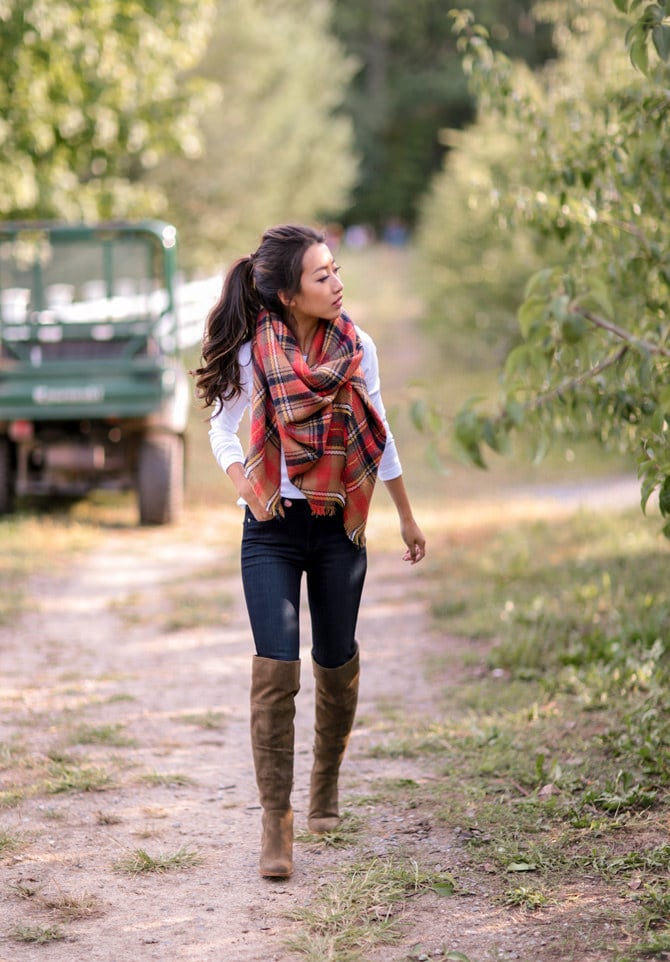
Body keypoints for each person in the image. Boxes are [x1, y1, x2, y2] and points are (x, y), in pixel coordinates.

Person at [194, 224, 426, 880]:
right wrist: (244, 484)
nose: (336, 282)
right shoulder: (254, 352)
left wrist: (406, 515)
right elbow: (222, 425)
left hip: (338, 523)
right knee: (275, 663)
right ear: (290, 295)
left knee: (334, 656)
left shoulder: (358, 347)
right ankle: (277, 821)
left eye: (336, 269)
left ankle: (325, 781)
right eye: (321, 275)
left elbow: (377, 432)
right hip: (270, 526)